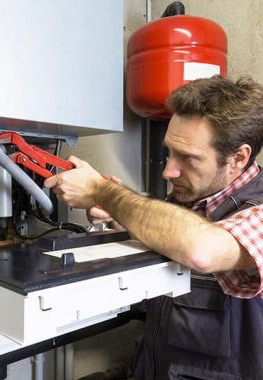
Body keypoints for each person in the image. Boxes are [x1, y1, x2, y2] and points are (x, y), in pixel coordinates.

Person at [44, 75, 263, 380]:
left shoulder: (258, 213)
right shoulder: (193, 198)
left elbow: (200, 250)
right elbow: (170, 237)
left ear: (238, 158)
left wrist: (102, 191)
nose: (168, 170)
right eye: (169, 152)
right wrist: (119, 212)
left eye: (188, 158)